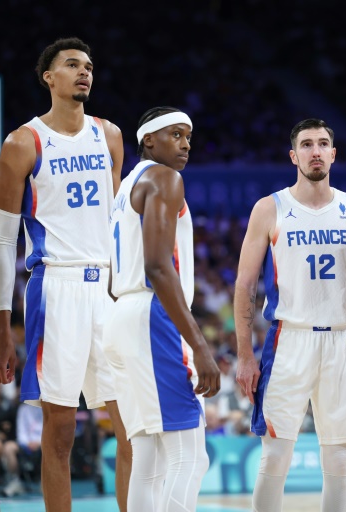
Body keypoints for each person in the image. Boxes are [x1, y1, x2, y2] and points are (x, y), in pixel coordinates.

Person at [0, 38, 130, 512]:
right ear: (49, 77)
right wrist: (3, 328)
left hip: (108, 287)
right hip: (56, 285)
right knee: (61, 429)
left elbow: (114, 224)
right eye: (72, 65)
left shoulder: (109, 134)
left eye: (88, 66)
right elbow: (5, 242)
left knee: (131, 422)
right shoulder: (22, 142)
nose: (83, 72)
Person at [234, 118, 346, 512]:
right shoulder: (270, 208)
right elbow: (244, 286)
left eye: (323, 144)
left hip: (343, 337)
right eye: (307, 144)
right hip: (290, 338)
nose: (315, 151)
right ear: (294, 155)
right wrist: (245, 355)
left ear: (334, 154)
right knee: (275, 456)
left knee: (338, 460)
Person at [104, 106, 220, 512]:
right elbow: (158, 266)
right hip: (153, 318)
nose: (185, 143)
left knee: (149, 460)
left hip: (121, 316)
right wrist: (199, 345)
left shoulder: (125, 186)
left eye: (188, 135)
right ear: (148, 140)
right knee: (190, 455)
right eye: (175, 134)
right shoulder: (164, 177)